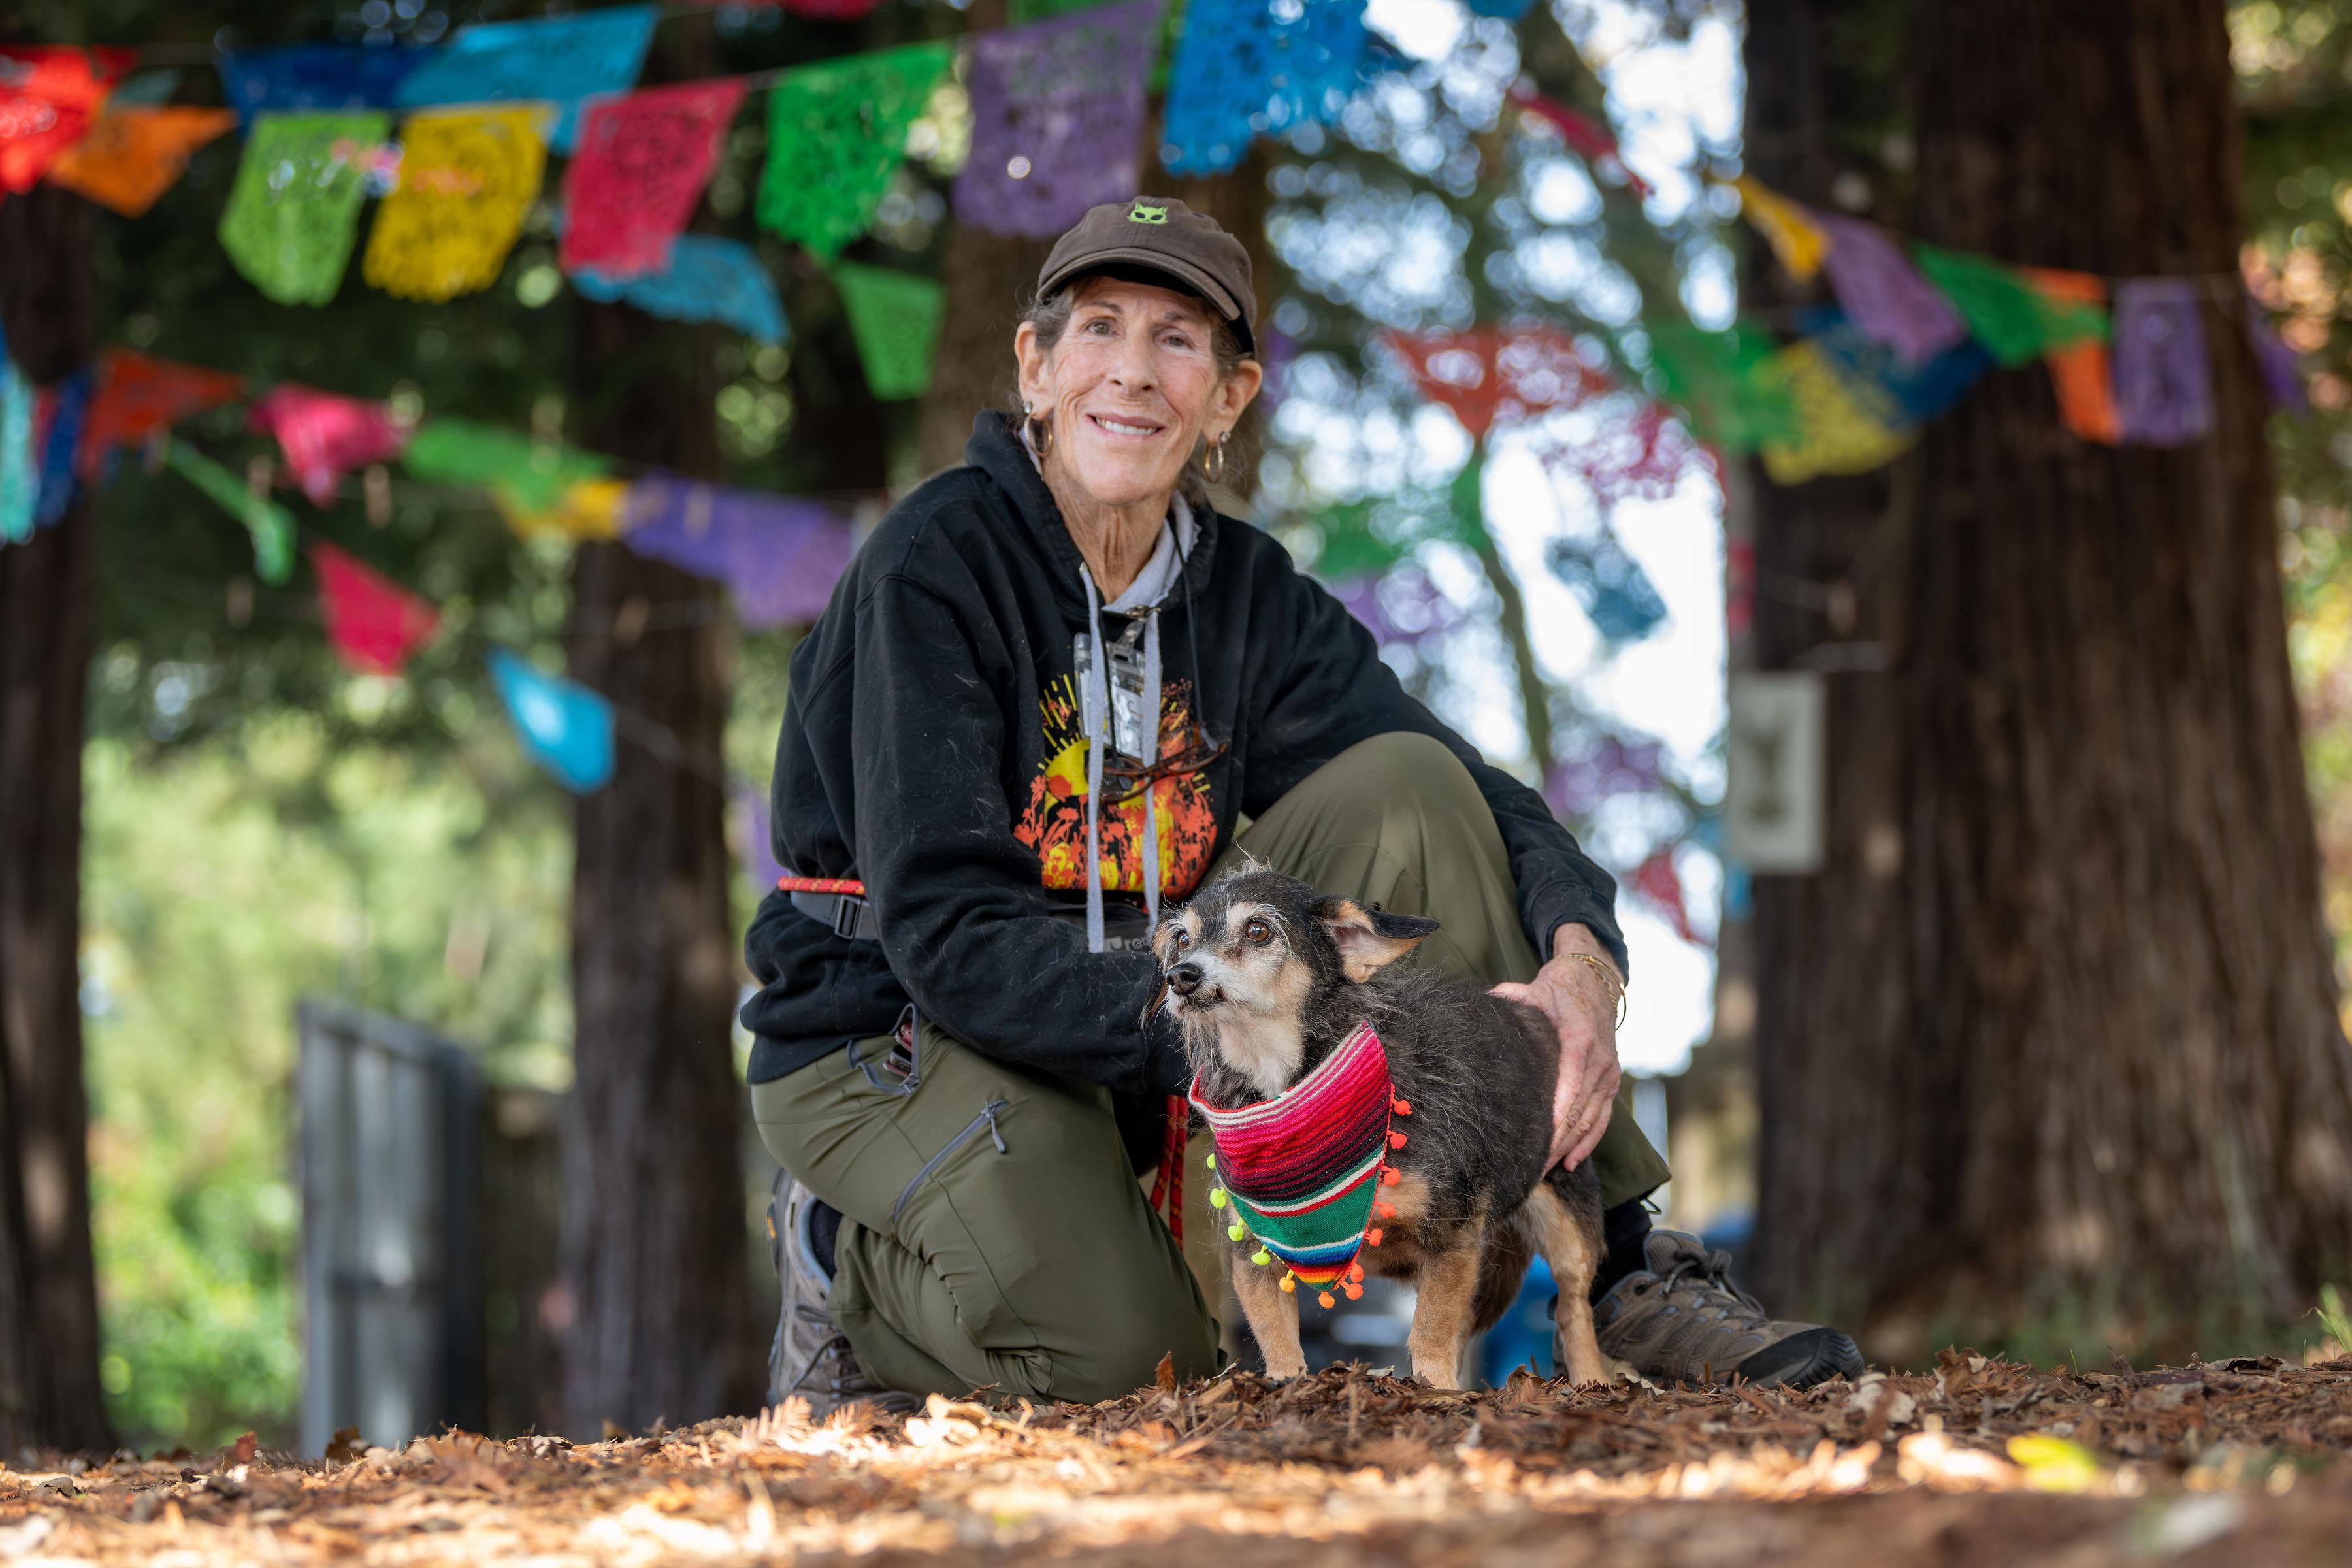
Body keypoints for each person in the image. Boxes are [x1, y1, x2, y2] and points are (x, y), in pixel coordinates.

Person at [742, 196, 1860, 1411]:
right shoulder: (933, 567)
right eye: (1102, 329)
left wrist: (1586, 961)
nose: (1134, 370)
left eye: (1179, 341)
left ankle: (1629, 1267)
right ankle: (845, 1262)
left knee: (1414, 790)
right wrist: (1253, 1034)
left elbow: (1477, 797)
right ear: (1039, 366)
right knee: (1133, 1370)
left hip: (1151, 1027)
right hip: (900, 1033)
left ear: (1228, 397)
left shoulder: (1246, 596)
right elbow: (948, 934)